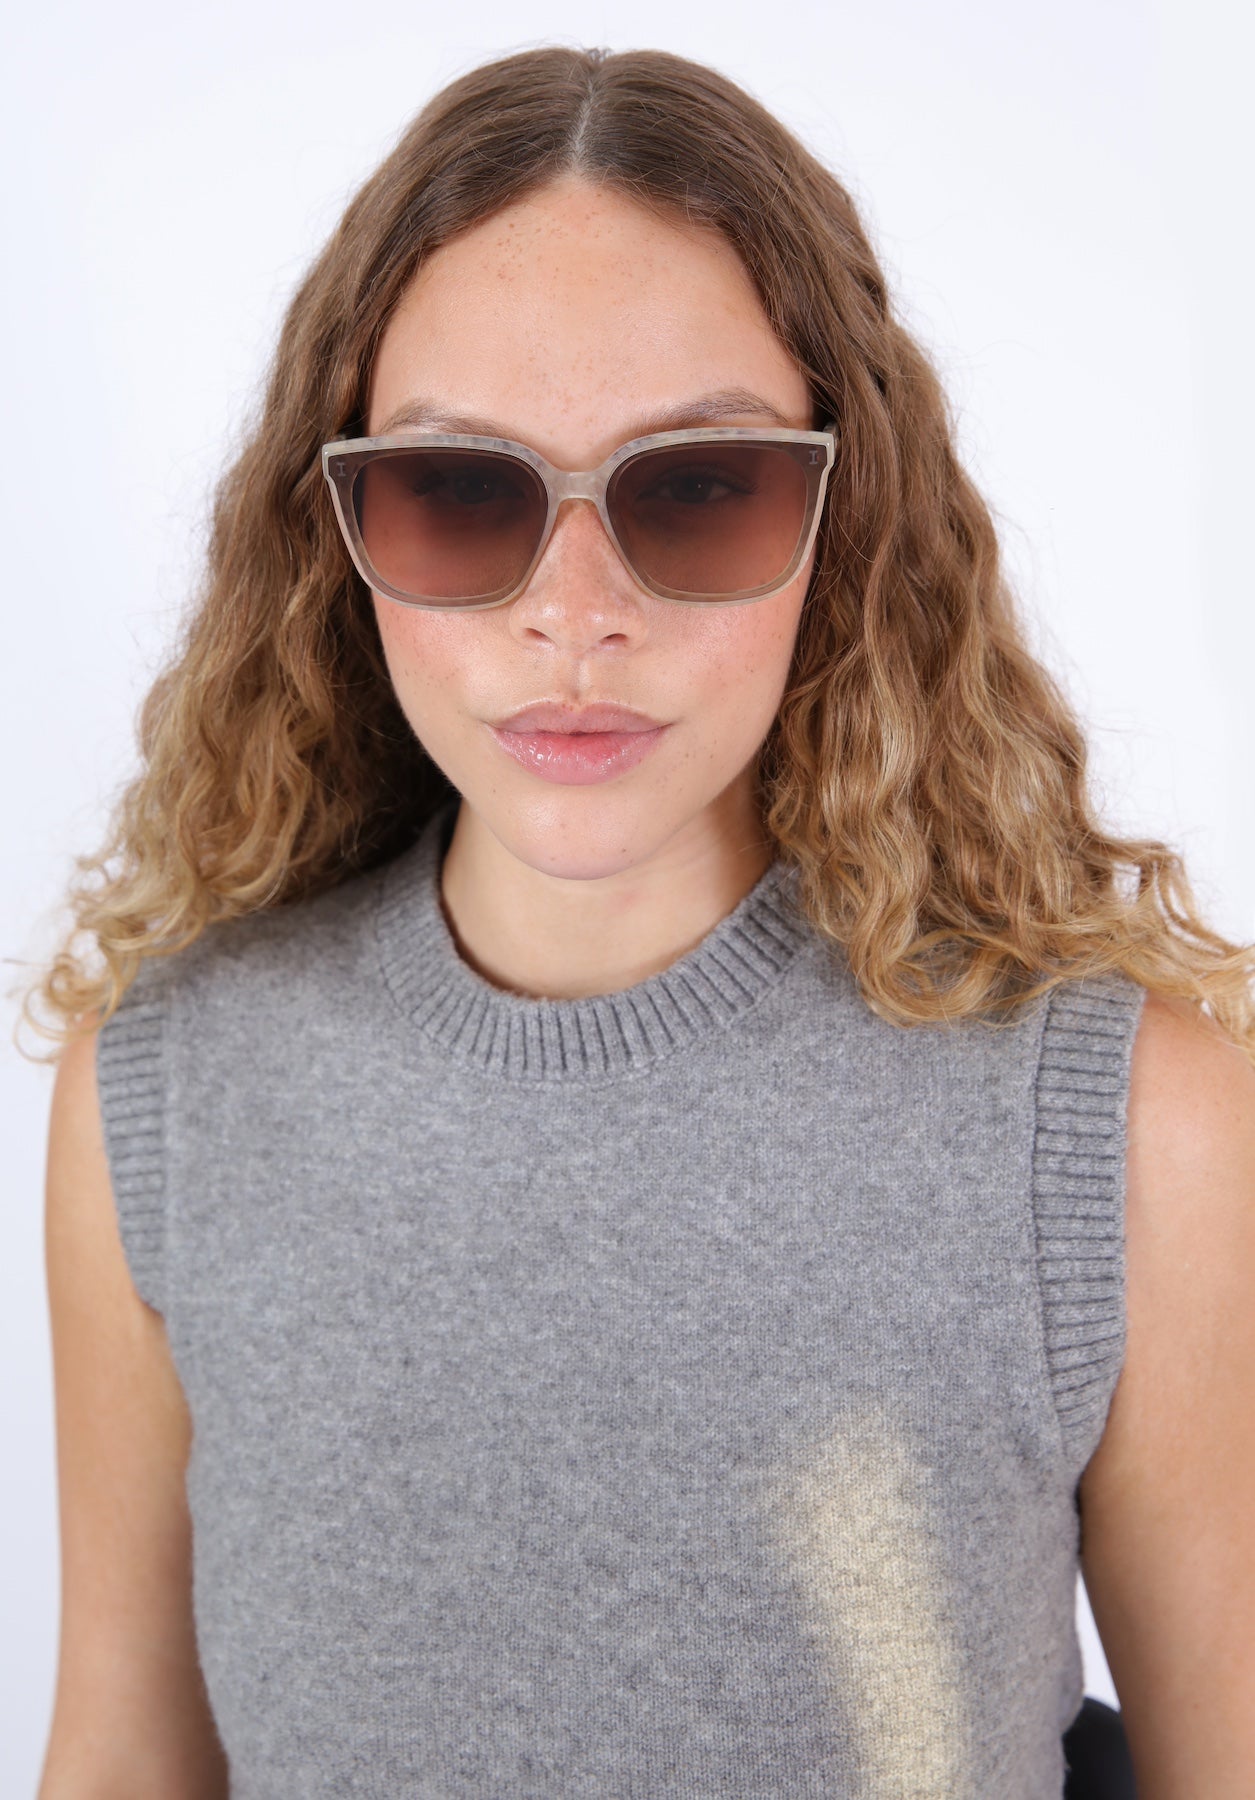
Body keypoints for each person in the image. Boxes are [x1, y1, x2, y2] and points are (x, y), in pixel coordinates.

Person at [32, 44, 1254, 1800]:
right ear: (342, 534)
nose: (573, 615)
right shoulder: (160, 1092)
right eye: (463, 495)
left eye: (696, 487)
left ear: (844, 517)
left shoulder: (1128, 1128)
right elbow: (121, 1757)